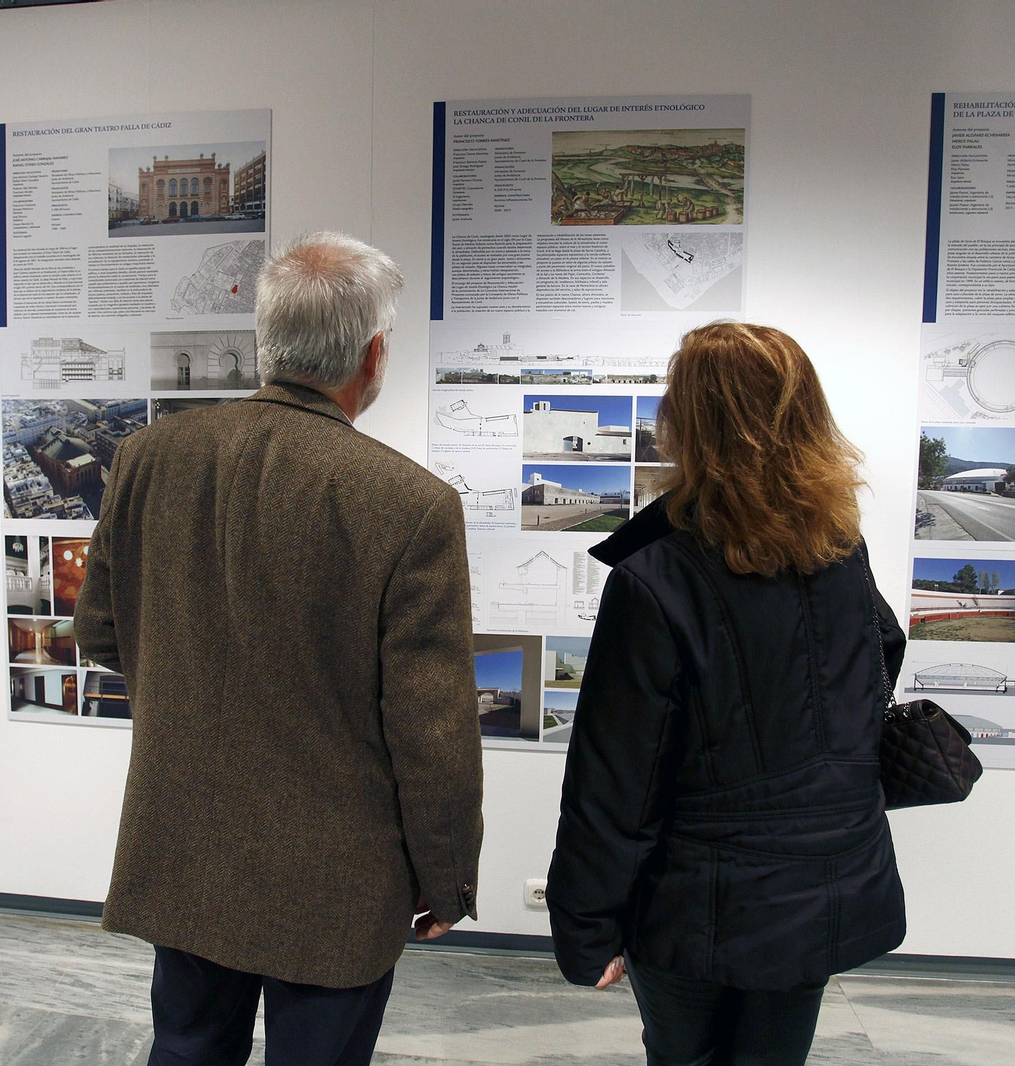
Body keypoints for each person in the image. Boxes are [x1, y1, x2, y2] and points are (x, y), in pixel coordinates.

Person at [75, 231, 484, 1066]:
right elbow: (431, 729)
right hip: (337, 875)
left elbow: (101, 632)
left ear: (269, 340)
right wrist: (449, 878)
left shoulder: (149, 458)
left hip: (185, 839)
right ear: (372, 354)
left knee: (187, 1050)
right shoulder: (409, 504)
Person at [546, 322, 907, 1066]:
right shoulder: (839, 545)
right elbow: (880, 659)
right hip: (825, 881)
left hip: (698, 903)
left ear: (688, 426)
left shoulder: (656, 579)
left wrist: (587, 929)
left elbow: (615, 780)